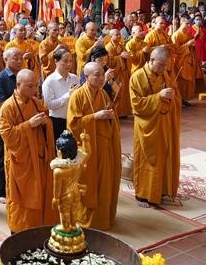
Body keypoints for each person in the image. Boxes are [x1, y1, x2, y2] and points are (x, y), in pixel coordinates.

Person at [0, 69, 58, 233]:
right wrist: (28, 125)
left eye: (36, 86)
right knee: (21, 197)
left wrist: (45, 122)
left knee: (40, 191)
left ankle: (39, 225)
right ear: (18, 85)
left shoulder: (35, 102)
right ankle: (20, 229)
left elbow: (46, 121)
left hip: (38, 157)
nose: (35, 90)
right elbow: (7, 135)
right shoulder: (8, 107)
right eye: (30, 86)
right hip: (20, 160)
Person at [66, 62, 121, 230]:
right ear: (86, 76)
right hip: (87, 149)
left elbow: (111, 116)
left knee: (105, 183)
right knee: (88, 184)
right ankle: (86, 220)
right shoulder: (78, 95)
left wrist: (111, 116)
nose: (101, 78)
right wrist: (95, 117)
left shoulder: (104, 94)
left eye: (102, 74)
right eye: (96, 75)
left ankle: (103, 218)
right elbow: (72, 125)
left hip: (104, 146)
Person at [129, 46, 181, 208]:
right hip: (147, 126)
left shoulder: (165, 74)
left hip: (164, 122)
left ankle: (161, 190)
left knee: (165, 155)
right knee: (148, 159)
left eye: (166, 65)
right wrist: (159, 96)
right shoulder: (137, 77)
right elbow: (136, 104)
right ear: (151, 60)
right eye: (161, 65)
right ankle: (143, 194)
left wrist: (172, 97)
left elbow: (175, 96)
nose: (164, 69)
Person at [0, 47, 23, 203]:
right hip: (5, 125)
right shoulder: (1, 78)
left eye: (21, 58)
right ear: (5, 60)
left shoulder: (23, 76)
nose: (19, 61)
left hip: (21, 123)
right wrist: (19, 107)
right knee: (3, 158)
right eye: (15, 58)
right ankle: (2, 192)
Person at [42, 48, 80, 140]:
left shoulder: (74, 78)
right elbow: (49, 105)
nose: (69, 64)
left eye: (70, 61)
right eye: (65, 61)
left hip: (74, 119)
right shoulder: (49, 81)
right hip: (57, 121)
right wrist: (68, 95)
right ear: (56, 61)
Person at [172, 16, 199, 104]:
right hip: (180, 61)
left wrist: (192, 45)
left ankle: (184, 98)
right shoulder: (176, 35)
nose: (188, 26)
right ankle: (178, 98)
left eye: (189, 24)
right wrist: (187, 44)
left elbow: (190, 46)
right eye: (186, 23)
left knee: (187, 81)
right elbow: (175, 50)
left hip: (187, 59)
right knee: (181, 81)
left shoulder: (187, 34)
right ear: (181, 23)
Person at [105, 29, 132, 117]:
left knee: (124, 92)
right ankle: (116, 112)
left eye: (119, 34)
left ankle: (123, 112)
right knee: (117, 92)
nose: (119, 36)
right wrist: (120, 56)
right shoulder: (108, 47)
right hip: (115, 73)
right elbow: (109, 62)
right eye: (116, 35)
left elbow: (125, 55)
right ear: (110, 37)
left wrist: (127, 56)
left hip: (123, 72)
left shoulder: (121, 45)